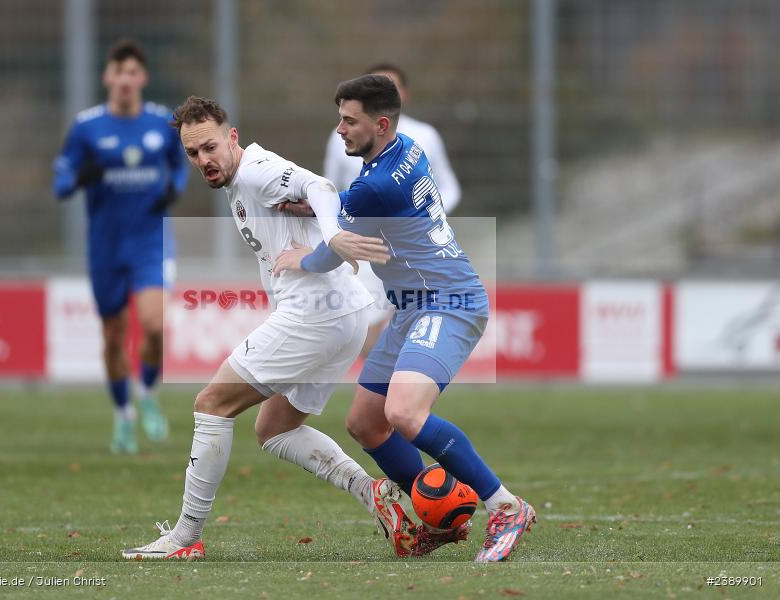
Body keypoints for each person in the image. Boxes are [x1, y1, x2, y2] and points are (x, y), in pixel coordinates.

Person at [120, 96, 413, 561]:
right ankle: (375, 495)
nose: (203, 161)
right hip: (344, 313)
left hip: (316, 313)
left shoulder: (255, 169)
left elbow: (320, 186)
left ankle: (183, 539)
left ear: (231, 138)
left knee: (211, 404)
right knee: (274, 428)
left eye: (210, 147)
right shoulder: (242, 181)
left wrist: (332, 234)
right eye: (193, 154)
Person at [275, 75, 535, 562]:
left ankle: (505, 507)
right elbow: (347, 211)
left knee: (403, 413)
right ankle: (440, 510)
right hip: (414, 304)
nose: (340, 130)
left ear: (381, 123)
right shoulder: (406, 148)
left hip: (448, 301)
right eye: (339, 119)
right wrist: (313, 207)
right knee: (366, 423)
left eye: (349, 121)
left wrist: (300, 260)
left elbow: (334, 250)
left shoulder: (375, 186)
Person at [53, 39, 187, 454]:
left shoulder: (162, 122)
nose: (126, 80)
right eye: (119, 72)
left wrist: (173, 189)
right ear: (107, 77)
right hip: (106, 247)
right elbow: (61, 179)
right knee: (113, 338)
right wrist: (79, 178)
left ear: (142, 78)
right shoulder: (87, 126)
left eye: (133, 72)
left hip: (150, 241)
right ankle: (123, 415)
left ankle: (146, 391)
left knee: (154, 325)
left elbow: (181, 164)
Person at [323, 64, 462, 357]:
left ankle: (403, 395)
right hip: (364, 247)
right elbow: (330, 190)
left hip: (413, 253)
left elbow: (448, 187)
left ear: (403, 95)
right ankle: (395, 394)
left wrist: (423, 217)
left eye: (392, 85)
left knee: (414, 337)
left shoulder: (422, 136)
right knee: (364, 336)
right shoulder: (344, 136)